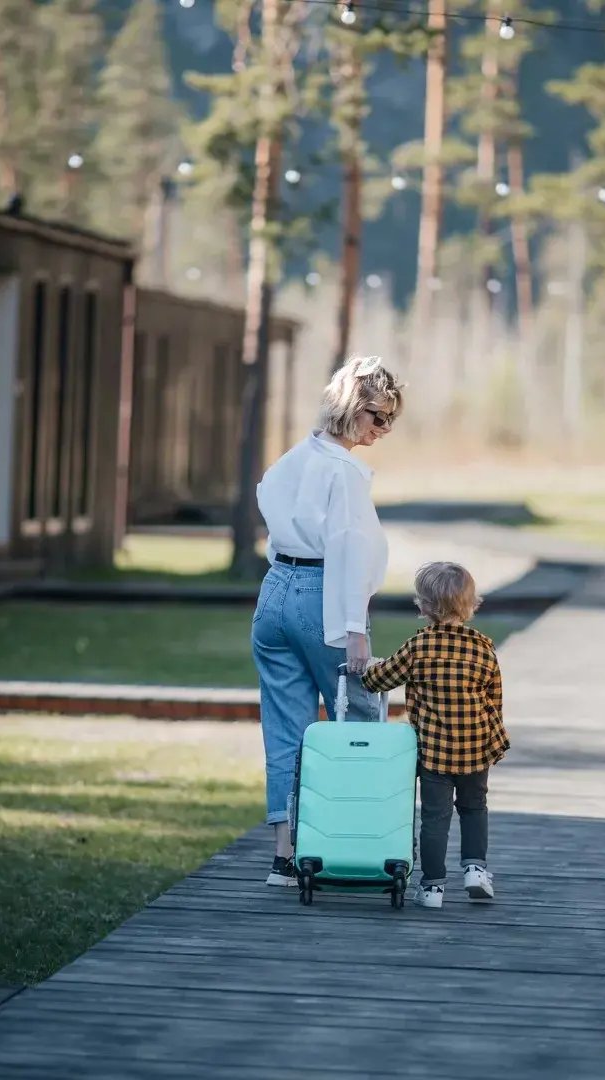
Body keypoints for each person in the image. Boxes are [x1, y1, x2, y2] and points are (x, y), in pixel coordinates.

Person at [253, 354, 404, 886]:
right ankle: (352, 844)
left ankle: (284, 854)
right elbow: (346, 551)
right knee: (359, 718)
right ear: (351, 409)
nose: (383, 430)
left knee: (286, 728)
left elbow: (267, 503)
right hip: (324, 595)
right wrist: (356, 632)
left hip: (275, 592)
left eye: (389, 420)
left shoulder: (292, 460)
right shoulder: (343, 473)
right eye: (378, 417)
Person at [361, 561, 509, 908]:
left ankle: (432, 888)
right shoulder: (483, 648)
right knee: (474, 808)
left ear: (424, 606)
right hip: (475, 748)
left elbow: (378, 681)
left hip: (434, 753)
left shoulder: (418, 646)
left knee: (434, 818)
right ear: (470, 604)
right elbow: (494, 701)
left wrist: (368, 668)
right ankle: (475, 868)